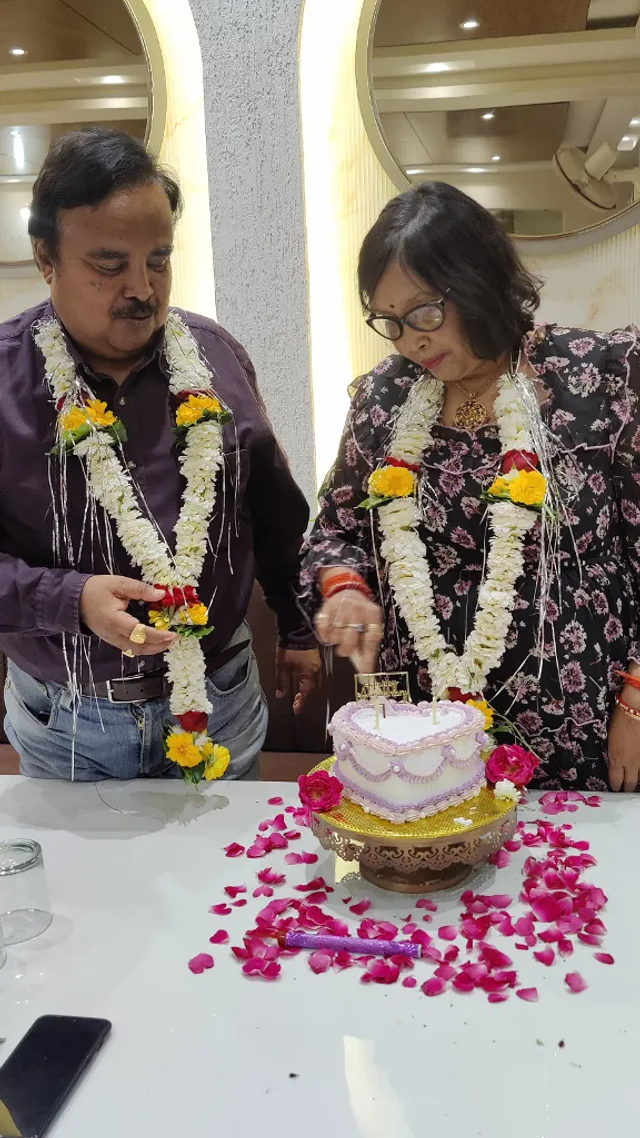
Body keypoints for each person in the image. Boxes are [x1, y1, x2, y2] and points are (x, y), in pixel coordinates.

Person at [0, 127, 320, 781]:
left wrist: (297, 626)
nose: (144, 288)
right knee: (82, 888)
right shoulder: (4, 377)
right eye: (110, 265)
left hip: (222, 702)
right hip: (68, 724)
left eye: (160, 260)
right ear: (45, 256)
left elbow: (273, 512)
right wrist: (70, 598)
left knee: (230, 879)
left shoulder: (216, 357)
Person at [301, 180, 640, 793]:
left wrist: (637, 702)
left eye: (426, 313)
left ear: (479, 281)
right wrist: (345, 588)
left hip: (580, 717)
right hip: (425, 727)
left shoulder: (599, 377)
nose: (411, 340)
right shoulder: (386, 397)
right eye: (391, 322)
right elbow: (336, 530)